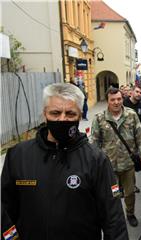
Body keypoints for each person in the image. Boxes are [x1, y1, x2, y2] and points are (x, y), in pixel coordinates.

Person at [1, 83, 128, 240]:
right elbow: (5, 209)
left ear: (80, 116)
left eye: (70, 114)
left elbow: (113, 219)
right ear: (44, 114)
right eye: (55, 113)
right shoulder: (18, 156)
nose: (62, 119)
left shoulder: (96, 160)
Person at [91, 87, 141, 228]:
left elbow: (140, 137)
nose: (116, 102)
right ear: (108, 101)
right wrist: (95, 164)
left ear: (122, 98)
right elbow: (94, 143)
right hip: (109, 167)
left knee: (129, 193)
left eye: (119, 99)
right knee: (113, 194)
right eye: (113, 100)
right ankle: (114, 217)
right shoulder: (99, 118)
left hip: (128, 165)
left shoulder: (131, 115)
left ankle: (130, 214)